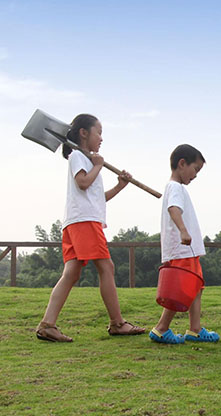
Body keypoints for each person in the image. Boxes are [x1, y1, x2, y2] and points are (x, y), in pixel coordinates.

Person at [35, 114, 145, 342]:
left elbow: (97, 198)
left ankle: (47, 324)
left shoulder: (87, 160)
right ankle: (117, 323)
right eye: (99, 132)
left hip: (78, 220)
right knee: (107, 267)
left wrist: (120, 186)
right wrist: (98, 165)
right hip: (84, 222)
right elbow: (83, 183)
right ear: (84, 133)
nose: (101, 138)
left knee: (72, 273)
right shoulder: (78, 157)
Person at [149, 144, 220, 344]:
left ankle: (195, 329)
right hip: (182, 250)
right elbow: (174, 209)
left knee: (196, 286)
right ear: (182, 163)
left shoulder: (175, 187)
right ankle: (162, 328)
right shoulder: (175, 187)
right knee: (183, 289)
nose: (195, 175)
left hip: (186, 250)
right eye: (195, 169)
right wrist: (183, 230)